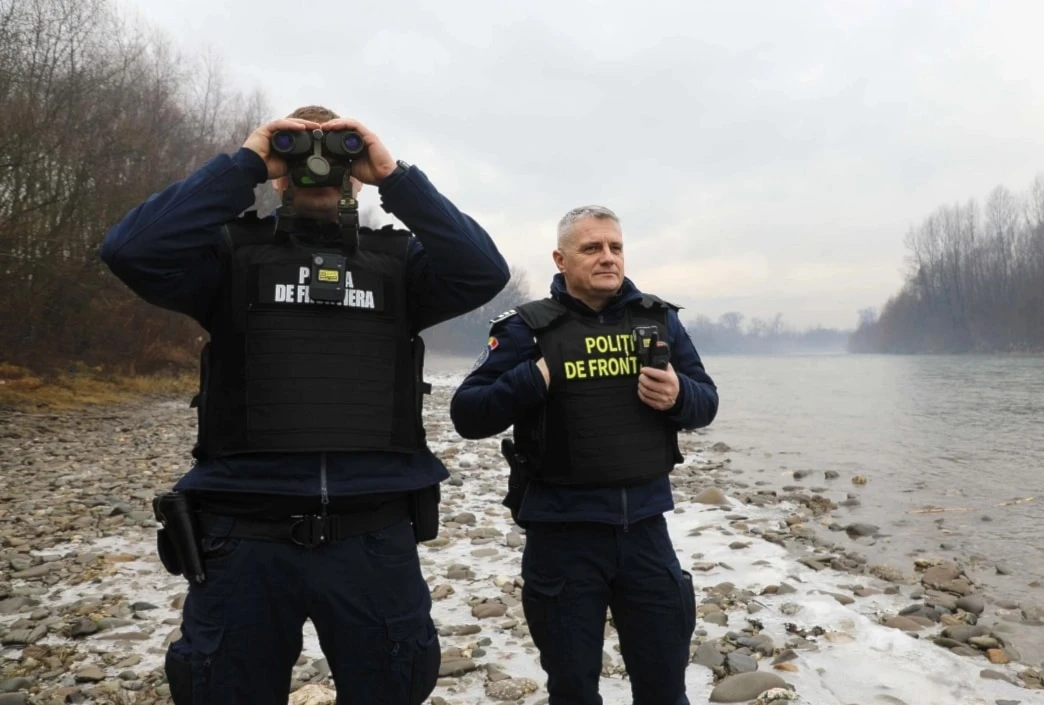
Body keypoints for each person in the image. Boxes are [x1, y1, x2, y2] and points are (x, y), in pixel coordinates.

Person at [99, 105, 510, 705]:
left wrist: (395, 177)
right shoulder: (228, 259)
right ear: (279, 173)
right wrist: (244, 166)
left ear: (355, 172)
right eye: (296, 153)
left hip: (372, 539)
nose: (319, 166)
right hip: (244, 542)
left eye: (338, 153)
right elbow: (130, 250)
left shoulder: (399, 268)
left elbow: (483, 270)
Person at [449, 205, 718, 705]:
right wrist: (535, 377)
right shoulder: (524, 328)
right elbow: (468, 414)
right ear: (561, 259)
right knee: (573, 689)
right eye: (591, 248)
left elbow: (707, 403)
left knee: (665, 687)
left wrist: (680, 395)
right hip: (562, 537)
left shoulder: (658, 320)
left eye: (615, 247)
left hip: (645, 532)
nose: (608, 258)